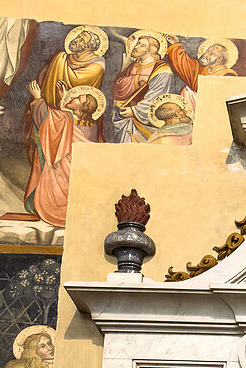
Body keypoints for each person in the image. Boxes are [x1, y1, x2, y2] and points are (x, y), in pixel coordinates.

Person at [24, 82, 104, 227]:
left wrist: (37, 98)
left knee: (55, 202)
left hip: (60, 176)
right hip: (75, 176)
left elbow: (47, 118)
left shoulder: (66, 119)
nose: (73, 97)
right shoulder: (92, 125)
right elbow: (64, 122)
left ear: (81, 110)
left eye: (79, 99)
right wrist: (64, 100)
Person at [111, 33, 174, 143]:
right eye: (137, 43)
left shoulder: (162, 70)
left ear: (150, 51)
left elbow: (157, 96)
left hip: (143, 120)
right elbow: (118, 91)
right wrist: (124, 69)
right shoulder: (132, 66)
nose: (136, 47)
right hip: (124, 116)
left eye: (142, 45)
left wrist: (134, 111)